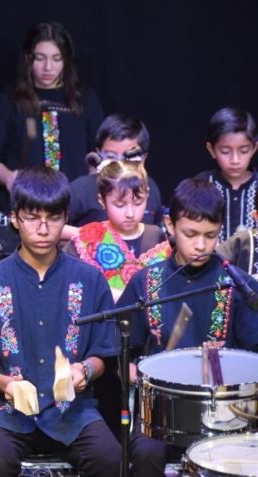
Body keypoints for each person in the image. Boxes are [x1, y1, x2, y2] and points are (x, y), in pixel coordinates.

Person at [0, 166, 120, 477]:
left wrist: (84, 369)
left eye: (54, 217)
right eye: (33, 217)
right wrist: (6, 383)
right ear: (15, 218)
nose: (44, 229)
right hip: (5, 412)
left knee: (110, 457)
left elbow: (103, 353)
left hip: (71, 412)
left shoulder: (90, 279)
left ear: (66, 219)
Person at [118, 178, 258, 476]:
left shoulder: (238, 286)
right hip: (162, 417)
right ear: (170, 225)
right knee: (144, 451)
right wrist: (135, 375)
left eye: (210, 236)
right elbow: (119, 351)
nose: (200, 245)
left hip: (225, 416)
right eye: (190, 234)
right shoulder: (146, 282)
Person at [0, 21, 104, 199]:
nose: (48, 67)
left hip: (77, 203)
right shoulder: (9, 100)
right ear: (27, 58)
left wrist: (94, 174)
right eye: (40, 58)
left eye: (56, 59)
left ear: (66, 60)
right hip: (25, 205)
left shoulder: (84, 98)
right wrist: (9, 178)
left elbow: (101, 151)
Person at [64, 161, 170, 302]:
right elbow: (69, 287)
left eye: (138, 202)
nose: (130, 213)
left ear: (147, 195)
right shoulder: (87, 238)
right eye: (119, 205)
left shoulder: (157, 236)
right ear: (102, 200)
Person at [65, 113, 164, 237]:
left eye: (129, 157)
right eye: (111, 157)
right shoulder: (81, 188)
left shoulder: (150, 186)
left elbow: (157, 228)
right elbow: (53, 224)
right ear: (98, 154)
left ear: (144, 158)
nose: (119, 163)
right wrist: (88, 236)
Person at [194, 107, 258, 242]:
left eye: (244, 151)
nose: (235, 160)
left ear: (254, 149)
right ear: (211, 150)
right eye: (225, 151)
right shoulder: (202, 184)